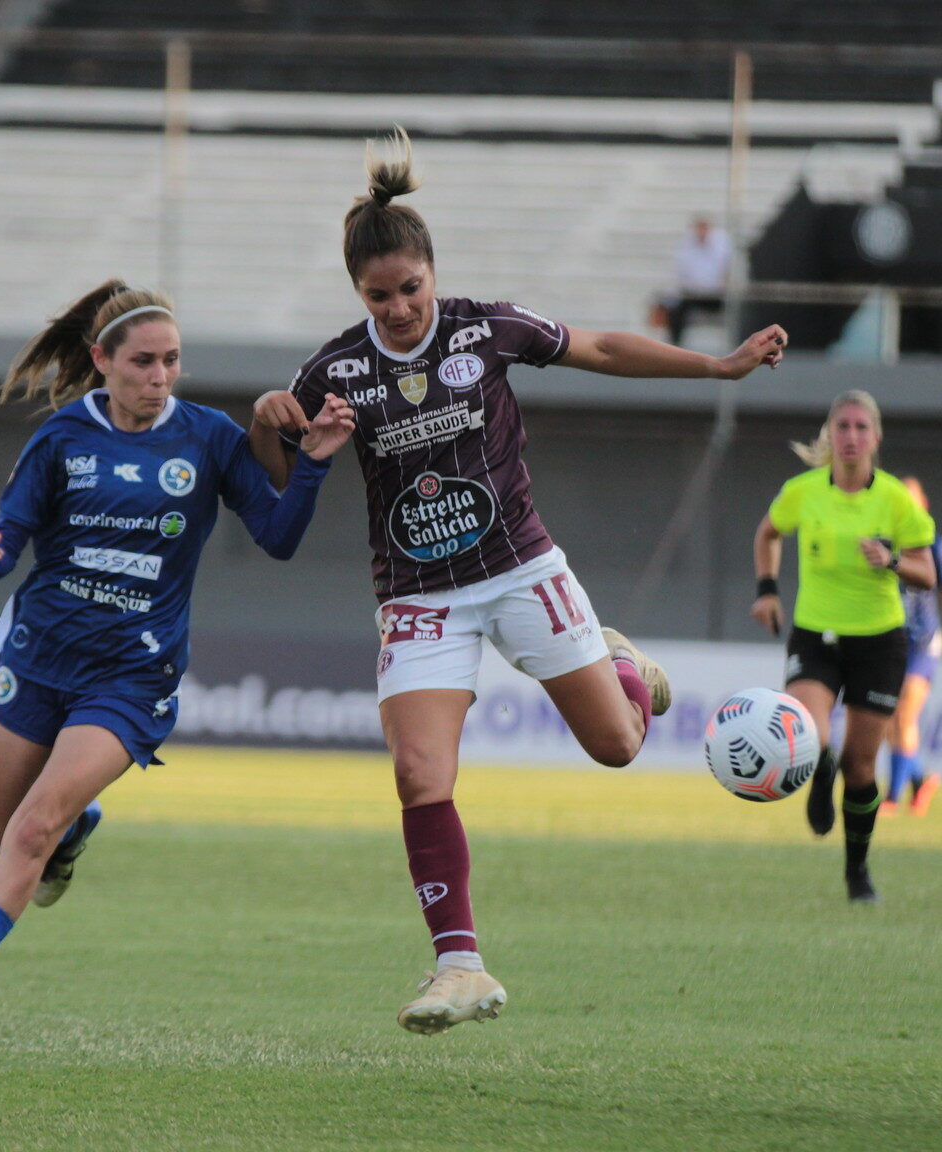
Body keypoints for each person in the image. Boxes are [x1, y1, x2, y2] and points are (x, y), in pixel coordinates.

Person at [249, 129, 787, 1036]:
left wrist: (718, 365)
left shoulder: (484, 328)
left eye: (410, 289)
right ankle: (459, 966)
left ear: (432, 272)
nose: (400, 309)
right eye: (379, 297)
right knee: (420, 772)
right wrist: (274, 427)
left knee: (617, 745)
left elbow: (606, 349)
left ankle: (616, 661)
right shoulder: (336, 369)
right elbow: (278, 478)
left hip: (519, 569)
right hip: (418, 597)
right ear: (359, 294)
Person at [0, 281, 355, 1032]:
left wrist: (317, 462)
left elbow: (279, 535)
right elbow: (11, 536)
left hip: (133, 675)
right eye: (142, 361)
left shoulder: (207, 438)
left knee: (28, 830)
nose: (159, 376)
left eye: (171, 361)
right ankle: (76, 828)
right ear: (102, 359)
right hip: (38, 656)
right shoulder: (64, 437)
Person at [751, 390, 937, 904]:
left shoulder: (897, 500)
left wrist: (893, 560)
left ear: (876, 438)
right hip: (815, 635)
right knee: (808, 736)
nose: (851, 437)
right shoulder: (803, 491)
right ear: (829, 435)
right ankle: (819, 765)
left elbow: (928, 574)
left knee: (861, 767)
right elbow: (768, 533)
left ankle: (858, 872)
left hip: (880, 642)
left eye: (860, 428)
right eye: (842, 427)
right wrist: (767, 590)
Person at [883, 477, 942, 817]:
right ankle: (919, 780)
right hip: (888, 641)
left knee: (904, 715)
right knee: (890, 723)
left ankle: (890, 798)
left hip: (922, 642)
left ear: (924, 506)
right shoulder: (884, 543)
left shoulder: (936, 545)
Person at [663, 216, 731, 345]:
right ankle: (675, 346)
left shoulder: (722, 245)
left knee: (738, 308)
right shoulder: (687, 247)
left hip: (718, 295)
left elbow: (727, 270)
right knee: (675, 309)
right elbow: (681, 274)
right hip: (693, 295)